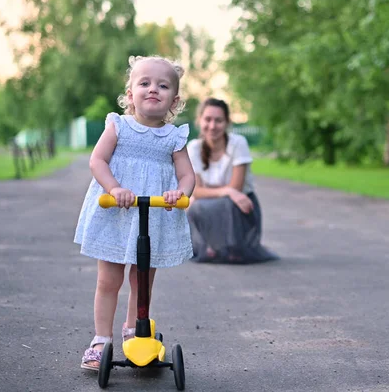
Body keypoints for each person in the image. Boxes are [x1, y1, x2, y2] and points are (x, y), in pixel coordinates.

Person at [73, 55, 195, 371]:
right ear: (131, 94)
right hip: (116, 212)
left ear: (175, 99)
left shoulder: (174, 137)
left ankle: (133, 330)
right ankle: (100, 339)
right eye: (144, 83)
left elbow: (187, 176)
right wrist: (114, 188)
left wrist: (178, 193)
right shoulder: (119, 126)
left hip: (151, 216)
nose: (153, 89)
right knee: (109, 280)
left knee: (142, 280)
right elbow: (97, 161)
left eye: (162, 85)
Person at [185, 98, 278, 264]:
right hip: (215, 204)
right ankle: (212, 245)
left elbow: (237, 187)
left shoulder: (238, 143)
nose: (212, 126)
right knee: (194, 205)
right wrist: (227, 190)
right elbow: (196, 191)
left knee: (224, 203)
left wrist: (225, 191)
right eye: (208, 119)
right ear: (199, 121)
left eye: (218, 120)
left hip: (239, 209)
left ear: (227, 122)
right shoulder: (194, 147)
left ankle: (232, 246)